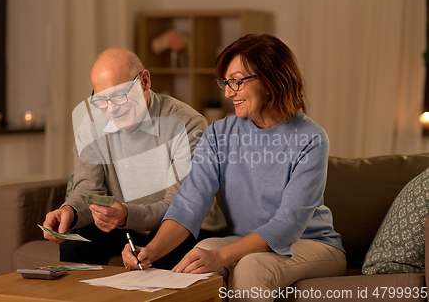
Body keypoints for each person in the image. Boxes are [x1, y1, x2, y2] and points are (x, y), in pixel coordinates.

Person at [122, 34, 346, 301]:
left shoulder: (311, 138)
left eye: (237, 81)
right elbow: (189, 203)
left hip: (310, 244)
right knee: (196, 257)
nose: (229, 92)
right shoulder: (219, 134)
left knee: (252, 266)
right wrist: (151, 251)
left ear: (272, 78)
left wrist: (219, 256)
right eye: (226, 83)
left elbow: (288, 224)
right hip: (245, 241)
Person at [42, 47, 218, 269]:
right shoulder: (91, 125)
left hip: (182, 226)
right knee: (77, 238)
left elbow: (179, 207)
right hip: (124, 226)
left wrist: (126, 215)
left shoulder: (188, 124)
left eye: (120, 95)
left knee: (172, 247)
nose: (112, 109)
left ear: (145, 81)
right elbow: (89, 189)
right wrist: (69, 211)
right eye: (102, 100)